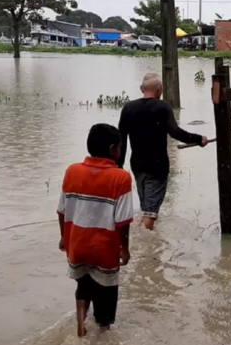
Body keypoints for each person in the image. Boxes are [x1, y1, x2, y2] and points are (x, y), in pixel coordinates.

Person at [57, 124, 134, 337]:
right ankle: (102, 331)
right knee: (106, 293)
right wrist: (125, 249)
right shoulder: (121, 177)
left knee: (83, 286)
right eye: (119, 148)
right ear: (112, 149)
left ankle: (81, 329)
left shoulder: (72, 171)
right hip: (104, 249)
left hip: (77, 245)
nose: (120, 152)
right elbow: (123, 222)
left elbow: (61, 210)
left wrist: (63, 238)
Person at [117, 73, 207, 231]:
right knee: (150, 214)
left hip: (137, 166)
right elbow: (175, 132)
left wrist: (118, 166)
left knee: (147, 208)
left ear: (141, 89)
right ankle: (144, 244)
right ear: (159, 90)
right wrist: (199, 139)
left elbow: (121, 139)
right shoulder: (162, 107)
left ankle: (145, 237)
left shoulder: (128, 108)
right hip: (157, 167)